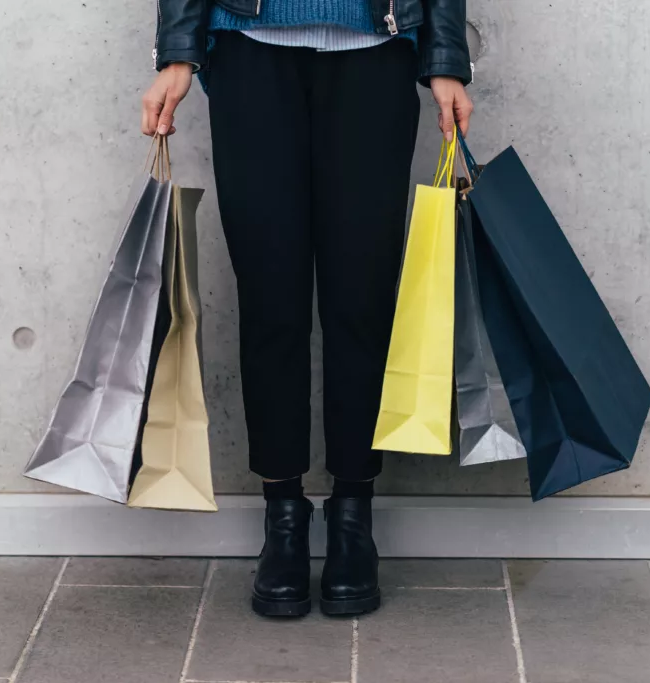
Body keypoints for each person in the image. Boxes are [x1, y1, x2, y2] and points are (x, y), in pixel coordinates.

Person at [141, 0, 473, 617]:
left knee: (363, 298)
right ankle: (283, 518)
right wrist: (179, 51)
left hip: (377, 53)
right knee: (271, 298)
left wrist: (445, 58)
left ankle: (353, 517)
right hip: (248, 53)